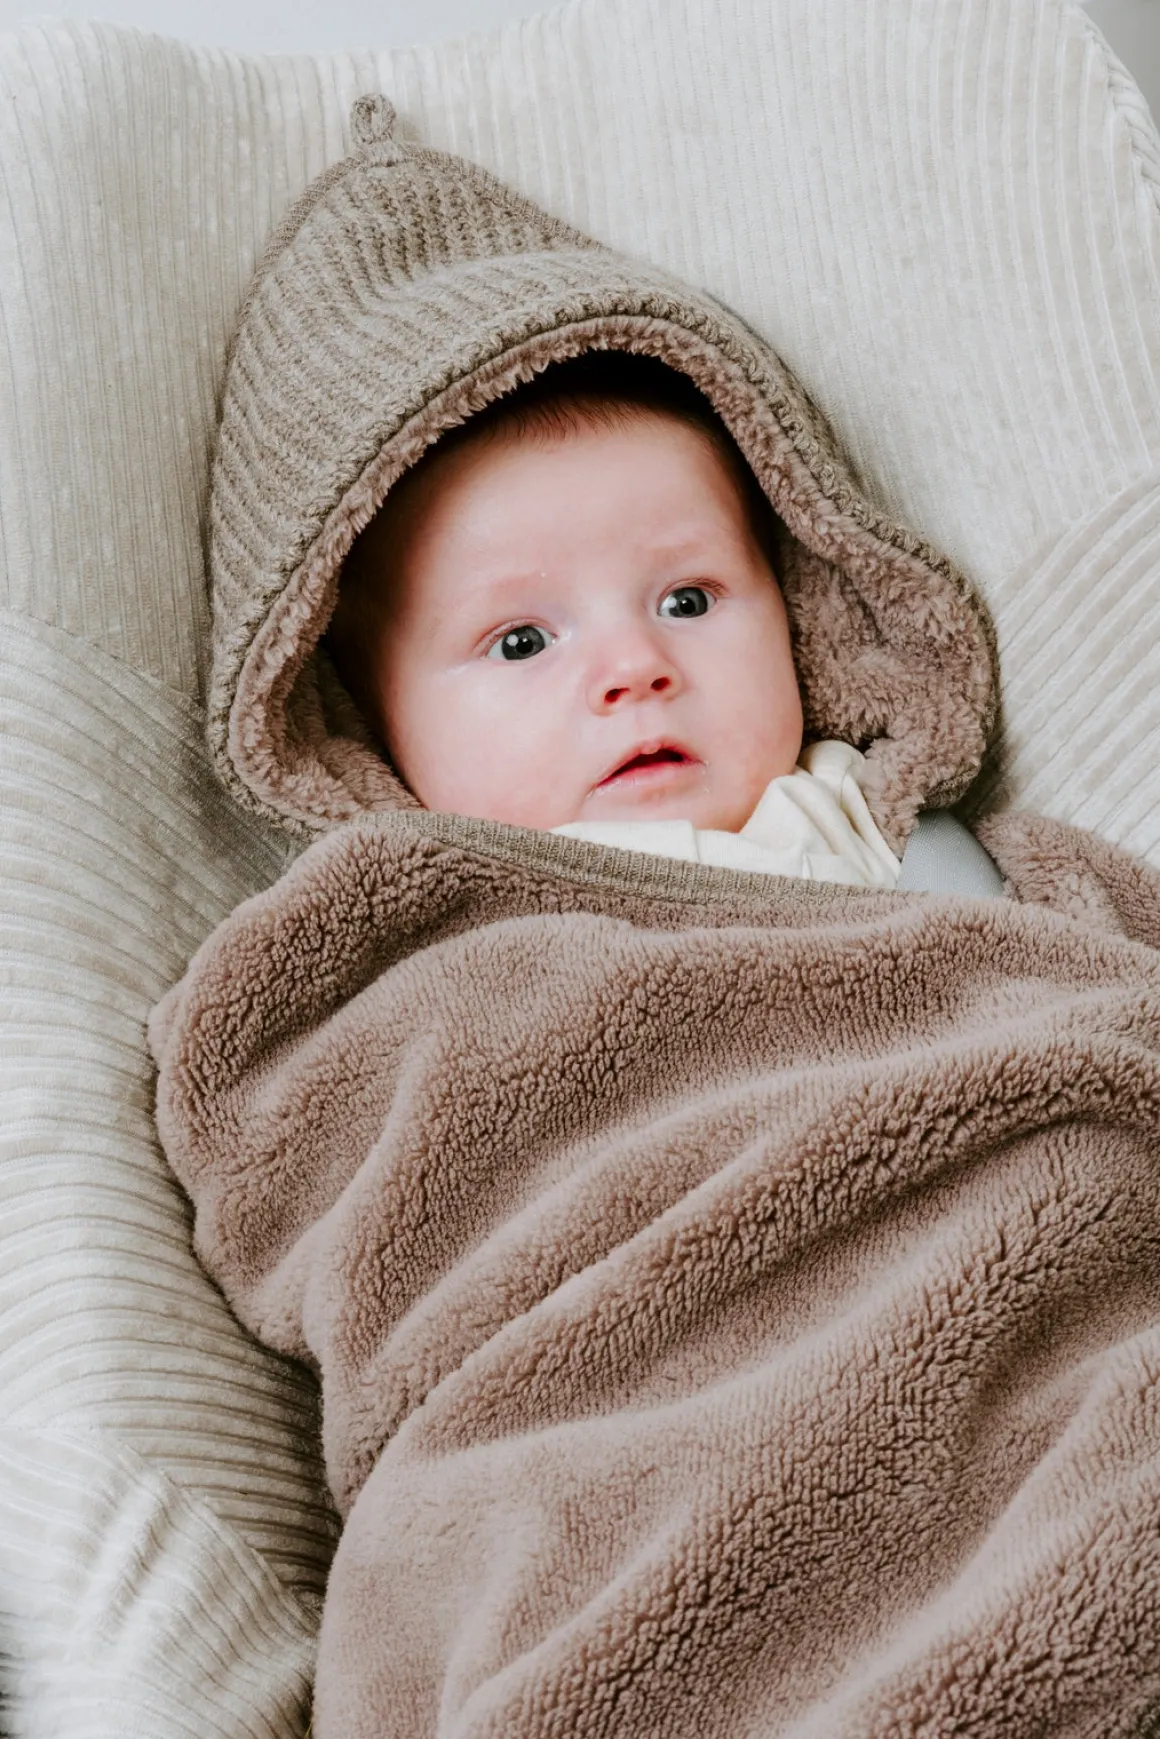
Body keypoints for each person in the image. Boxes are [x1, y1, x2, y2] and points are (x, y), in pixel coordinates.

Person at [323, 348, 904, 889]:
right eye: (523, 642)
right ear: (369, 726)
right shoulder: (408, 909)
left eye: (687, 602)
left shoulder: (860, 818)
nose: (634, 667)